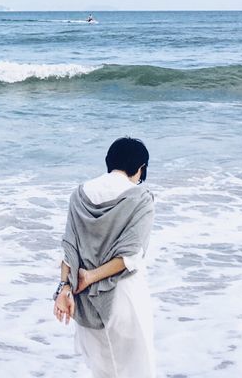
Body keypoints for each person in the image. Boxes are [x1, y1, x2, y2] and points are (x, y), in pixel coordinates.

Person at [53, 137, 156, 378]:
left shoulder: (79, 195)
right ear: (140, 168)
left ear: (109, 162)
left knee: (102, 372)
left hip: (85, 301)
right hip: (124, 297)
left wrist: (64, 289)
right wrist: (91, 276)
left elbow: (69, 251)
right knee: (138, 370)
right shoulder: (141, 199)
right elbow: (129, 256)